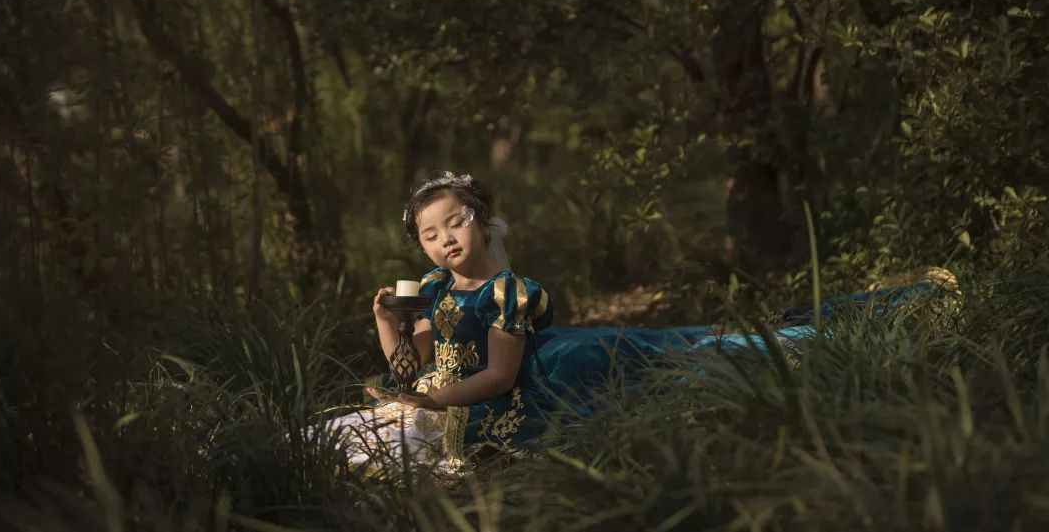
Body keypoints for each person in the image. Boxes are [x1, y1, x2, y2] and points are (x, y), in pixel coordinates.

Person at [318, 171, 961, 477]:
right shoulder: (429, 290)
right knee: (354, 438)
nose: (445, 240)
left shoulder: (510, 289)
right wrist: (389, 324)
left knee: (678, 353)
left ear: (481, 221)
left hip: (539, 376)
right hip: (450, 397)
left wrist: (427, 397)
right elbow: (410, 368)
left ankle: (854, 322)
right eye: (430, 234)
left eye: (455, 222)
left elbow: (496, 376)